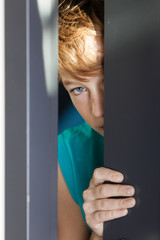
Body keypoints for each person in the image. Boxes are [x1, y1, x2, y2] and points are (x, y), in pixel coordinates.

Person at [58, 1, 136, 239]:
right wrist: (101, 233)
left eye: (108, 78)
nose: (99, 109)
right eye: (79, 89)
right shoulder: (70, 153)